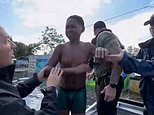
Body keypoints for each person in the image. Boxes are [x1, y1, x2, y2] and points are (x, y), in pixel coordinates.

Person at [0, 25, 63, 115]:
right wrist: (51, 88)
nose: (14, 45)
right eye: (7, 41)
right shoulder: (5, 104)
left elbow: (11, 93)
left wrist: (37, 79)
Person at [105, 14, 154, 115]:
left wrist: (124, 59)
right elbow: (132, 65)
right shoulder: (145, 47)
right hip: (148, 100)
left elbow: (150, 67)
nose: (152, 27)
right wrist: (120, 57)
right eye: (150, 25)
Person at [46, 15, 95, 115]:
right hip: (63, 91)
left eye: (73, 26)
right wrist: (75, 70)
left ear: (83, 29)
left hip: (80, 92)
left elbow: (104, 59)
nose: (69, 29)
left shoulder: (88, 47)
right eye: (67, 27)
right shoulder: (60, 48)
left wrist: (102, 50)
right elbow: (47, 70)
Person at [91, 21, 124, 115]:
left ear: (94, 31)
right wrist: (93, 72)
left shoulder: (104, 35)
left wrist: (112, 85)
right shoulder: (102, 39)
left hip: (109, 82)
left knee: (106, 112)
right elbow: (103, 63)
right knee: (105, 111)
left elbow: (118, 60)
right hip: (105, 80)